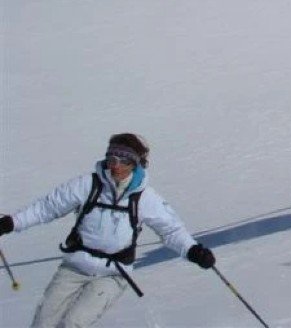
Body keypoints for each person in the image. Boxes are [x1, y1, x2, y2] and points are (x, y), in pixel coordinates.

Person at [0, 133, 214, 327]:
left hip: (113, 274)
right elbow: (47, 208)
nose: (116, 166)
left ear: (136, 164)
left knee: (73, 323)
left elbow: (171, 230)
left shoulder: (144, 198)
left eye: (125, 161)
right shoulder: (88, 185)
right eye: (112, 159)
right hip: (74, 266)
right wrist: (11, 223)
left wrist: (193, 250)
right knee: (42, 323)